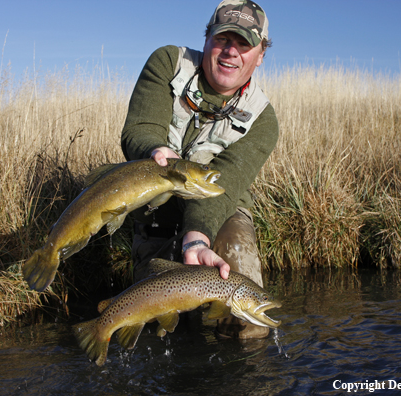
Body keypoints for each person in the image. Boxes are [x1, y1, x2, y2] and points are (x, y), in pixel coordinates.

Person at [120, 0, 279, 339]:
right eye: (223, 39)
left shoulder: (262, 119)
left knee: (244, 313)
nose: (230, 52)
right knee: (156, 329)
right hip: (155, 213)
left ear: (260, 54)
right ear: (207, 39)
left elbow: (227, 183)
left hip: (221, 212)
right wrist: (154, 149)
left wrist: (196, 237)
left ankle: (243, 376)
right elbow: (139, 129)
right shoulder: (168, 63)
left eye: (244, 44)